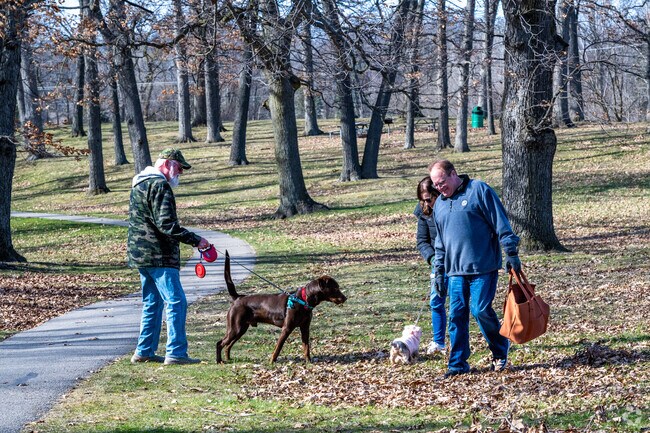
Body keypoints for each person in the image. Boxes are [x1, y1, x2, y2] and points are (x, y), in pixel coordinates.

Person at [429, 160, 521, 377]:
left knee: (479, 310)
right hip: (455, 271)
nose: (440, 188)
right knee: (456, 315)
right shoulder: (440, 205)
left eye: (442, 182)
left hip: (483, 266)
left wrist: (511, 252)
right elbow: (440, 243)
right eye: (436, 185)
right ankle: (457, 364)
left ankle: (500, 349)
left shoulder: (478, 190)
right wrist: (439, 273)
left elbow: (501, 222)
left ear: (454, 173)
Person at [127, 148, 210, 365]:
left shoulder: (139, 184)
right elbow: (166, 225)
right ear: (167, 164)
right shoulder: (160, 185)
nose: (180, 172)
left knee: (152, 302)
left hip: (140, 254)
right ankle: (176, 353)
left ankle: (144, 351)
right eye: (179, 167)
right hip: (159, 254)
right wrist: (196, 240)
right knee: (176, 301)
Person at [414, 176, 447, 355]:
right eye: (423, 199)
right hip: (438, 263)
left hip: (457, 261)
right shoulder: (423, 212)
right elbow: (422, 241)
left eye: (429, 198)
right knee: (436, 301)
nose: (426, 203)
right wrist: (432, 258)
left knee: (461, 304)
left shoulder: (450, 205)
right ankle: (438, 342)